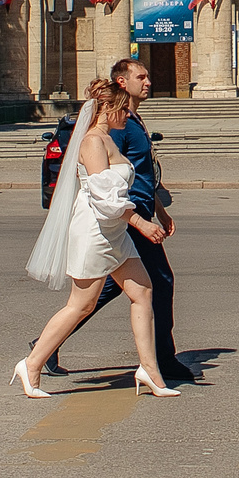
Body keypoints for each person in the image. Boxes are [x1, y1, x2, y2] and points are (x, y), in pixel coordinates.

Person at [14, 78, 178, 399]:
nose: (128, 116)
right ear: (108, 108)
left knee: (143, 293)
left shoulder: (108, 139)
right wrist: (141, 223)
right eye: (124, 110)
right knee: (81, 305)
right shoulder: (92, 142)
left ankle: (149, 370)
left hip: (113, 232)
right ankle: (31, 364)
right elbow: (104, 198)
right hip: (95, 231)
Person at [96, 57, 196, 384]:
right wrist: (137, 219)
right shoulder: (119, 123)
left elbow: (139, 173)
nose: (148, 81)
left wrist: (162, 210)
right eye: (142, 76)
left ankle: (46, 345)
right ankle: (164, 360)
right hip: (130, 217)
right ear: (122, 82)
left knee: (107, 288)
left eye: (149, 75)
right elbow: (115, 174)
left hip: (142, 211)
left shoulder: (134, 119)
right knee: (161, 281)